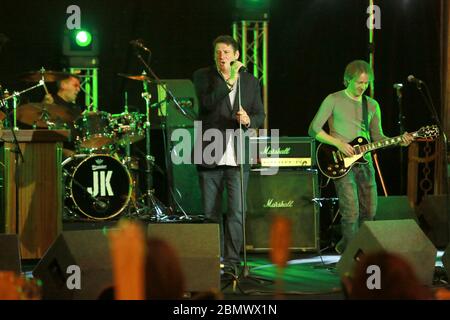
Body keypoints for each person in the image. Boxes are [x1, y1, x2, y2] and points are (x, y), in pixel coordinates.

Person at [308, 60, 413, 254]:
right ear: (348, 79)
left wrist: (399, 140)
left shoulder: (372, 105)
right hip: (340, 160)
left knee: (370, 211)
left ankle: (357, 248)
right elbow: (313, 129)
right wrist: (339, 143)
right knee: (351, 211)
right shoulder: (333, 99)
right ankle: (352, 256)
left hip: (365, 162)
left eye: (366, 83)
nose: (362, 87)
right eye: (359, 82)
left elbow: (378, 137)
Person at [193, 35, 265, 274]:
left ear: (236, 55)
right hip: (210, 152)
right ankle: (212, 261)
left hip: (238, 155)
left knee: (236, 212)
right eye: (217, 53)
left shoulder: (251, 82)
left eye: (225, 52)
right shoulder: (203, 76)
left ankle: (232, 262)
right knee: (210, 213)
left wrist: (248, 120)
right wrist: (230, 80)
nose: (221, 56)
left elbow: (260, 115)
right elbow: (207, 104)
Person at [42, 74, 82, 158]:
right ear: (63, 85)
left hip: (76, 148)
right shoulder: (51, 103)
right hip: (57, 149)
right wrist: (45, 106)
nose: (78, 89)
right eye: (75, 85)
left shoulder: (76, 108)